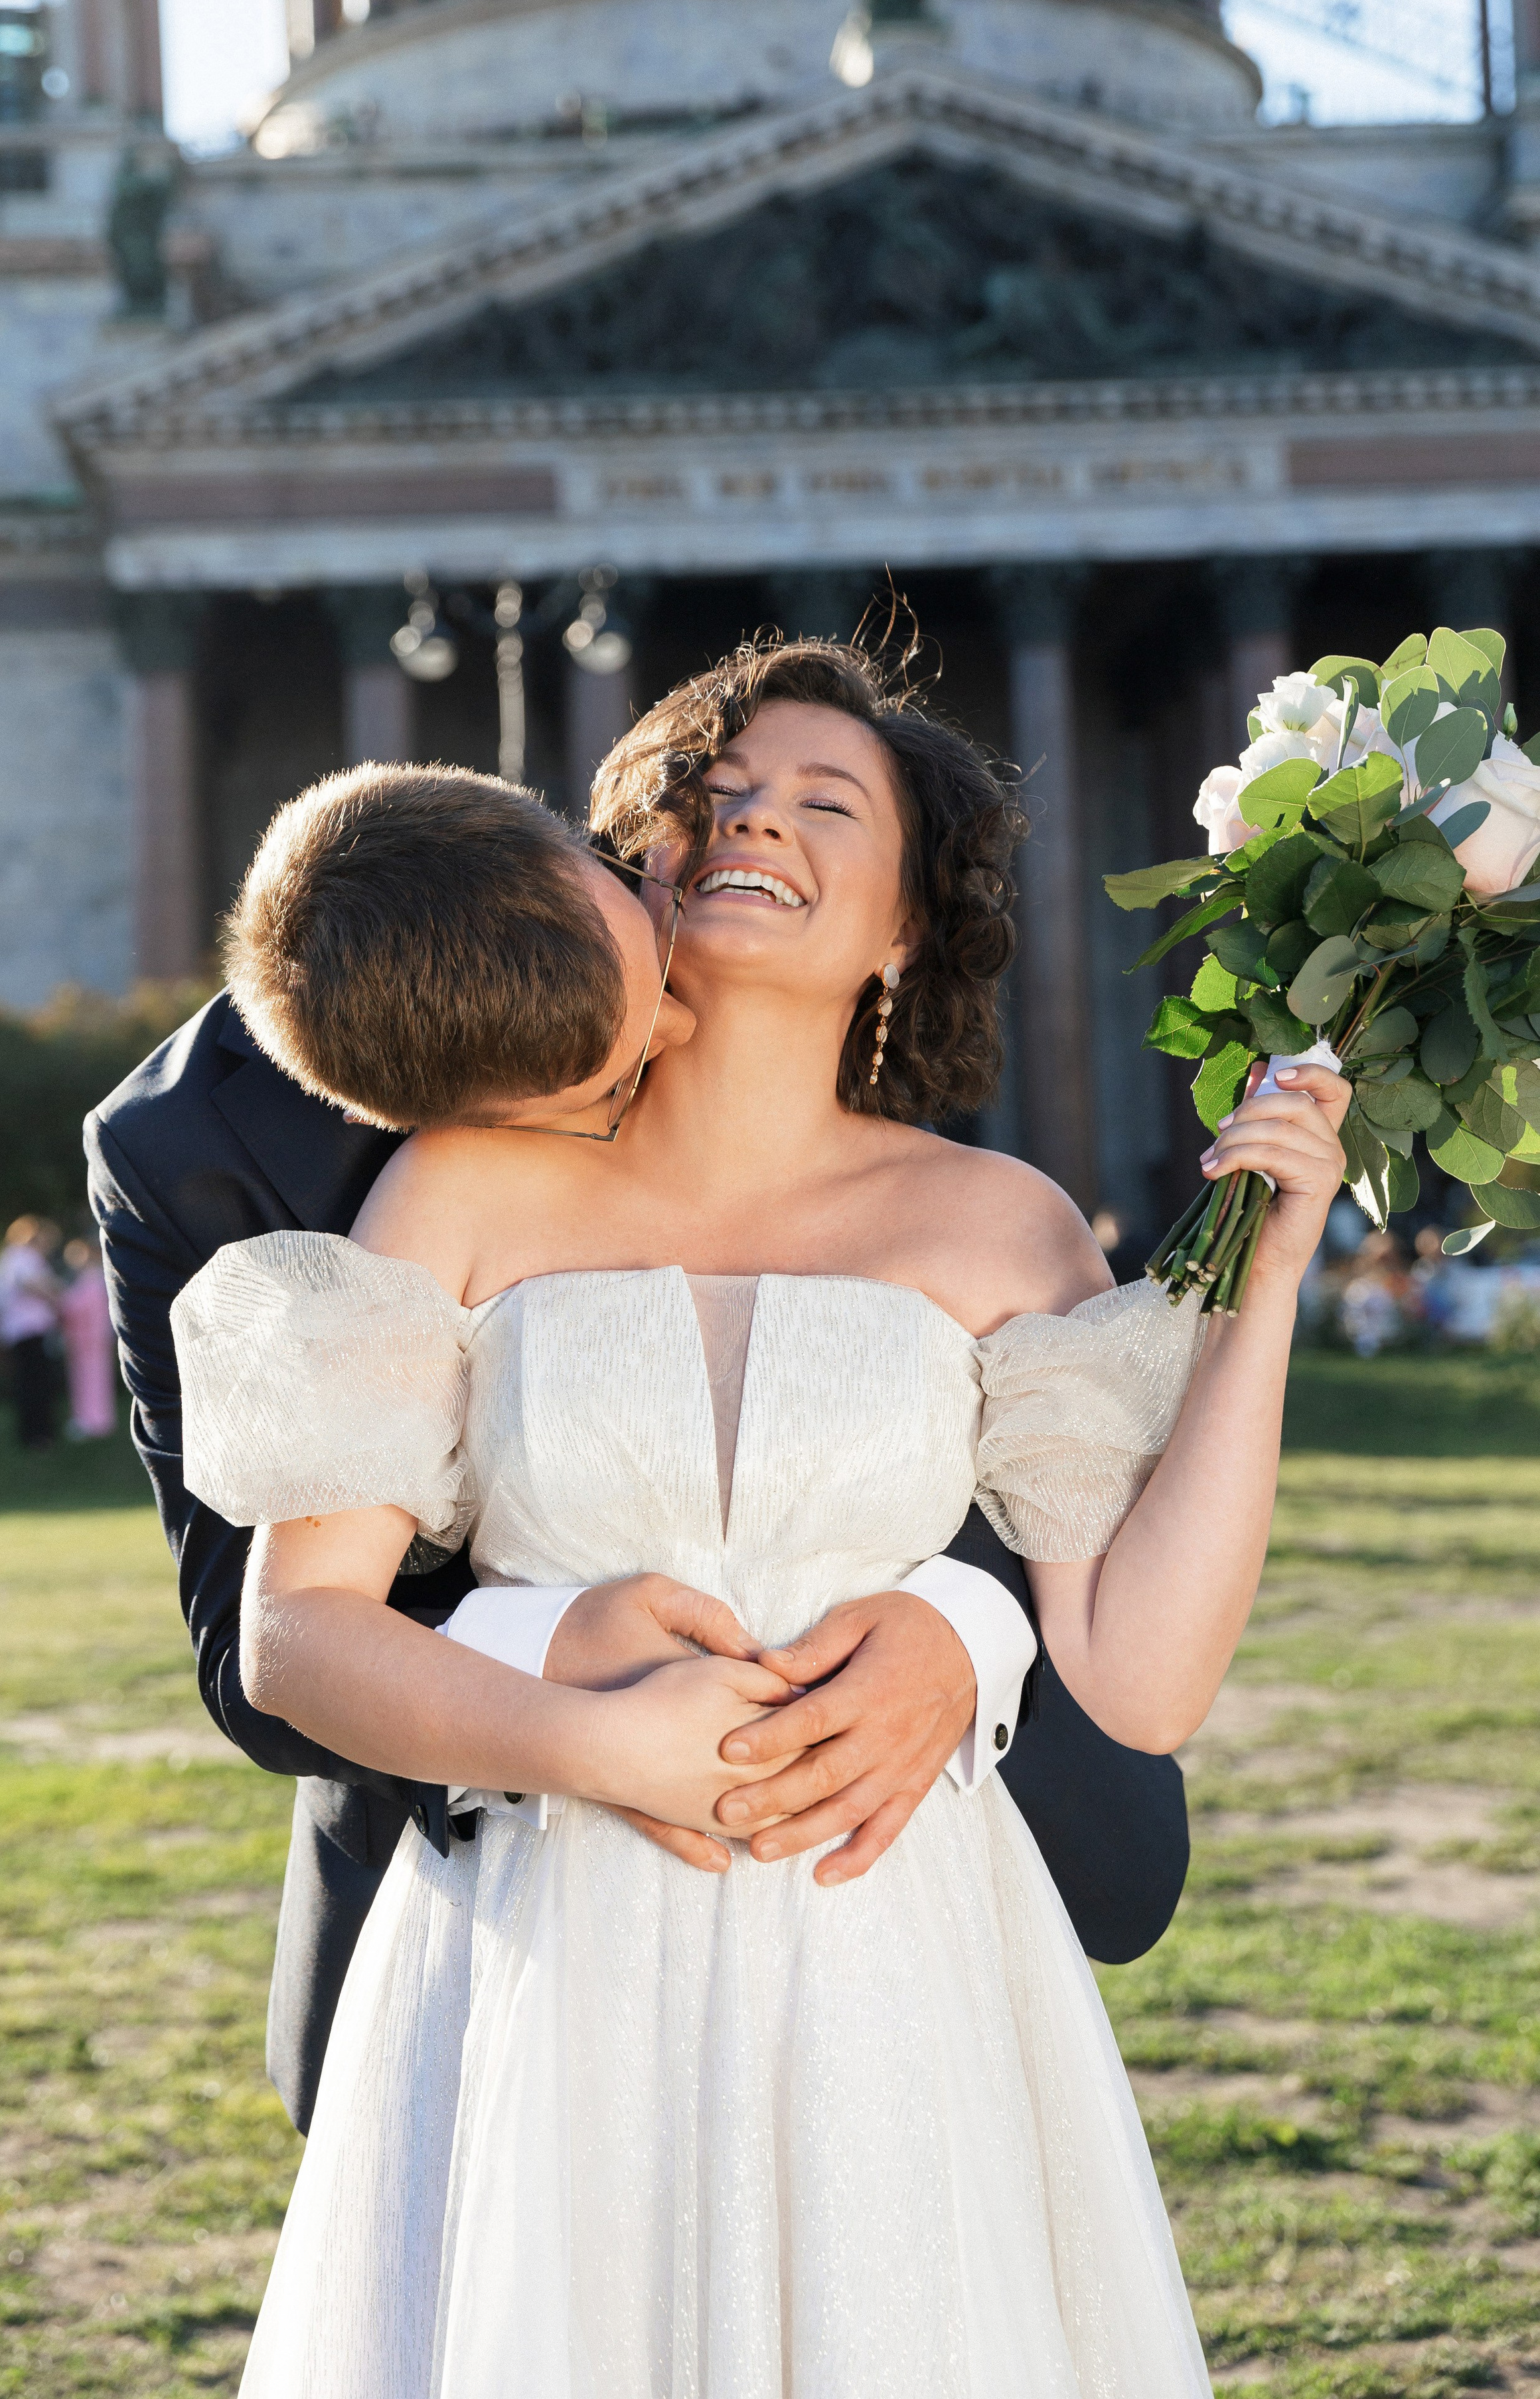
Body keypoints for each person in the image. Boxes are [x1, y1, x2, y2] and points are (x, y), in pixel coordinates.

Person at [169, 642, 1352, 2395]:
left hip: (889, 1961)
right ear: (636, 864)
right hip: (545, 1943)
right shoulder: (460, 1183)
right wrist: (596, 1747)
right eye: (714, 796)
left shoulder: (998, 1226)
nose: (756, 825)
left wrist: (1267, 1283)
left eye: (825, 803)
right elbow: (298, 1634)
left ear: (900, 930)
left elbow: (1148, 1681)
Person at [86, 757, 1192, 2145]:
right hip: (510, 1891)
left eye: (637, 927)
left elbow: (941, 1417)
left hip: (888, 1879)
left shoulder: (655, 873)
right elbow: (260, 1654)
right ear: (465, 1108)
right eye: (615, 1067)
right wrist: (554, 1653)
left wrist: (961, 1623)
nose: (678, 1020)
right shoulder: (192, 1153)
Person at [0, 1215, 62, 1450]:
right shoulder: (23, 1257)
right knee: (36, 1384)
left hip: (21, 1331)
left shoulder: (9, 1258)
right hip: (29, 1330)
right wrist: (59, 1297)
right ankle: (39, 1435)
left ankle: (33, 1433)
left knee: (29, 1383)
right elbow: (35, 1285)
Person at [60, 1238, 117, 1439]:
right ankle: (89, 1418)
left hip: (92, 1340)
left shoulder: (93, 1280)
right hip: (84, 1340)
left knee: (94, 1379)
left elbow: (79, 1308)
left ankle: (95, 1420)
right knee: (86, 1379)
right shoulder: (87, 1279)